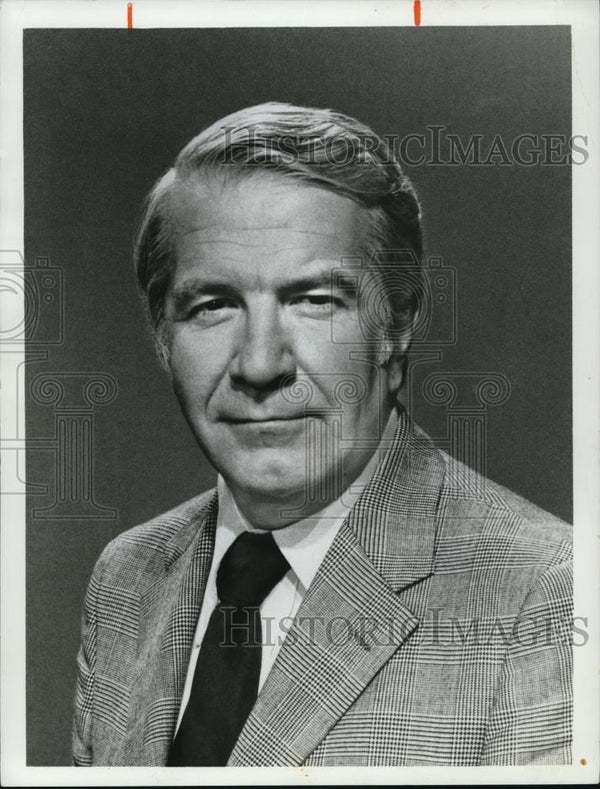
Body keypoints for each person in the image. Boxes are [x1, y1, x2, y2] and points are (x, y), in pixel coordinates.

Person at [72, 102, 572, 767]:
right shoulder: (125, 578)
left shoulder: (545, 595)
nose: (259, 364)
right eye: (212, 305)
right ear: (163, 336)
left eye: (314, 300)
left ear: (397, 324)